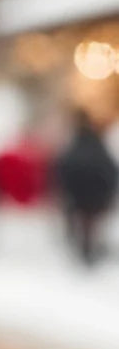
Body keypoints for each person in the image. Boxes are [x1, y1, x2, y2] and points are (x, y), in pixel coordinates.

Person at [52, 109, 119, 266]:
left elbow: (64, 169)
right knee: (91, 225)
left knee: (84, 224)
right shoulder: (98, 147)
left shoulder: (75, 146)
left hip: (80, 196)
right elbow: (110, 170)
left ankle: (86, 250)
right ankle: (88, 250)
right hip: (95, 196)